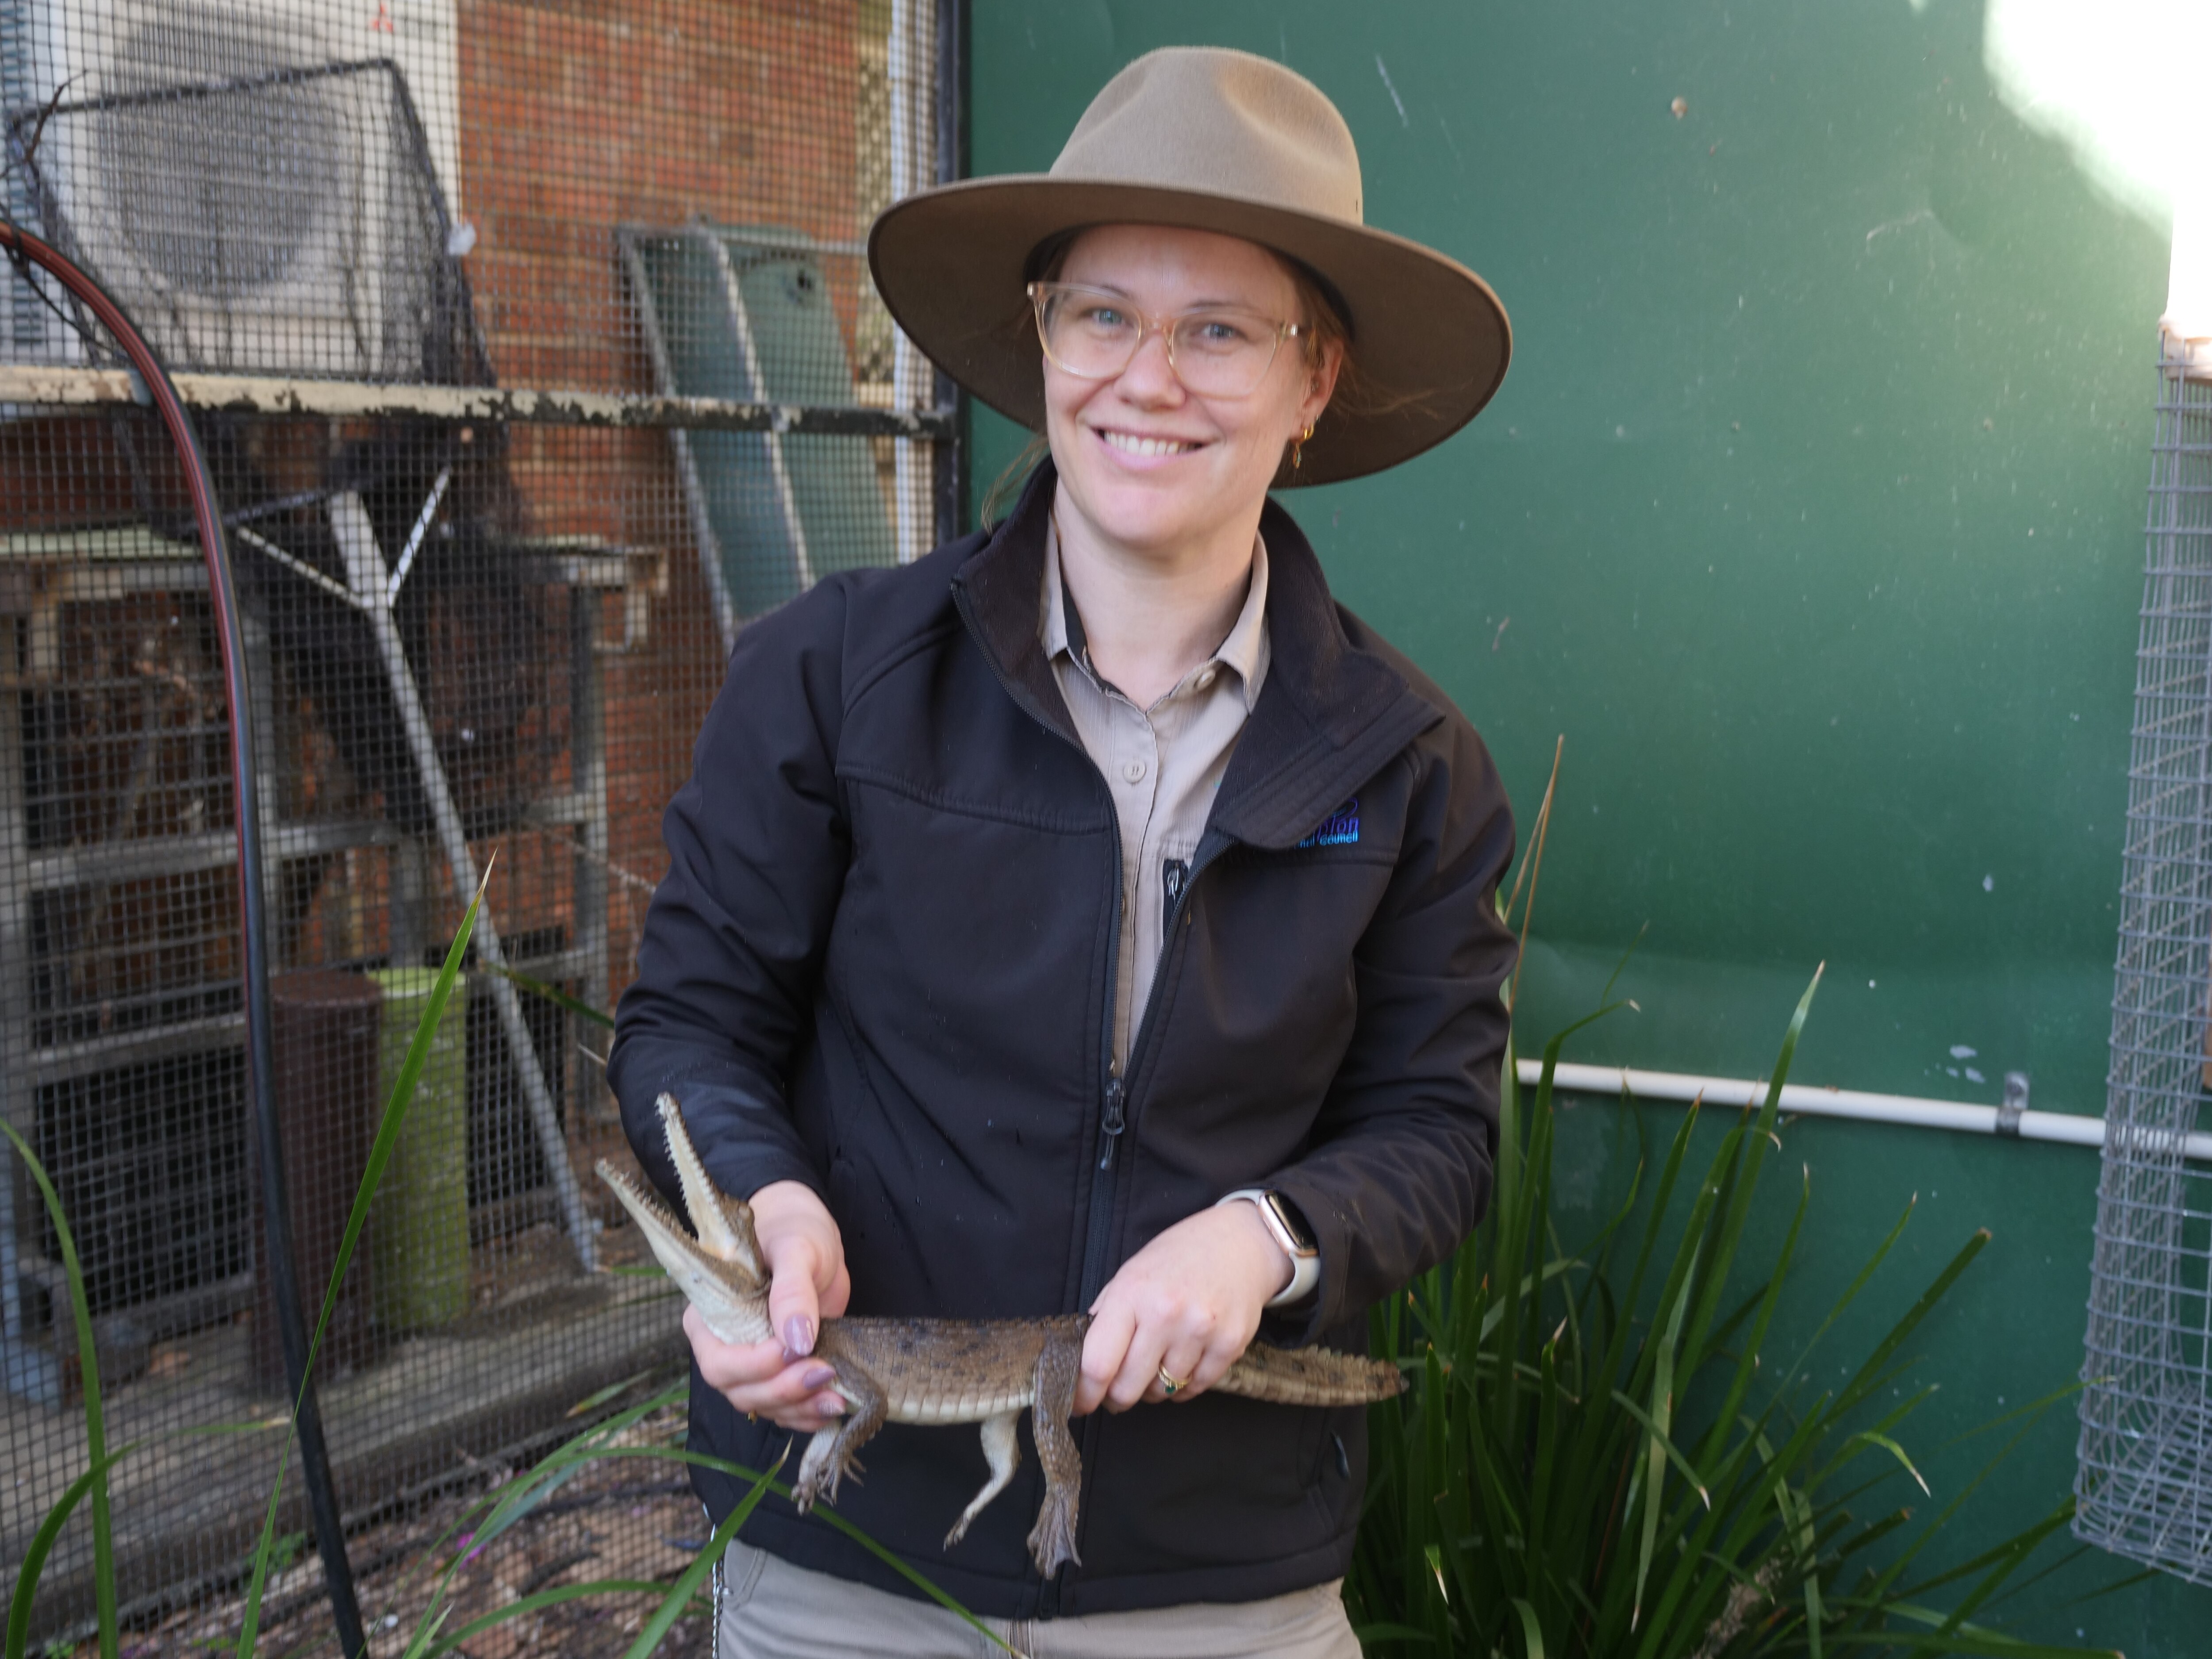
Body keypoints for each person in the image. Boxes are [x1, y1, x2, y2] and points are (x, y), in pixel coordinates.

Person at [609, 44, 1518, 1659]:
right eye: (1102, 314)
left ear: (1316, 386)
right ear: (1039, 345)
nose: (1147, 379)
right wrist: (761, 1208)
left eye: (1219, 330)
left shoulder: (1413, 764)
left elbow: (1435, 1134)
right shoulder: (830, 677)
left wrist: (1271, 1235)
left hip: (1223, 1586)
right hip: (848, 1576)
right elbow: (691, 1021)